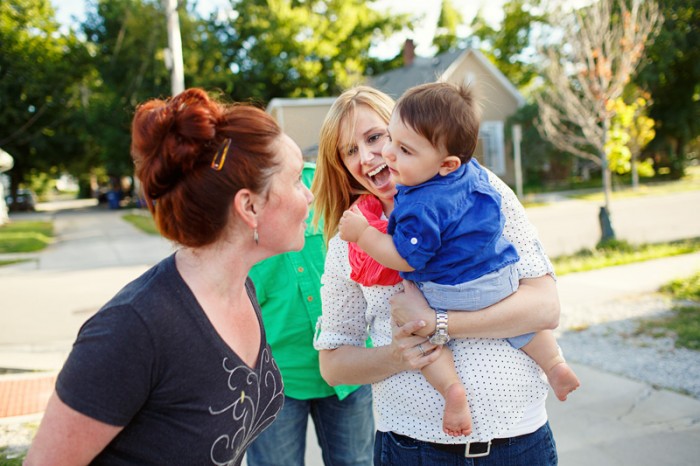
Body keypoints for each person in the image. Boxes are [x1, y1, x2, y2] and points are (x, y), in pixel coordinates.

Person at [24, 87, 314, 466]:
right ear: (249, 206)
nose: (309, 195)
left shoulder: (241, 287)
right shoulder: (132, 329)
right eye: (297, 179)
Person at [311, 85, 562, 464]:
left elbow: (545, 308)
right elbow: (333, 366)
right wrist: (398, 355)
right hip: (414, 449)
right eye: (349, 151)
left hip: (519, 441)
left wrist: (437, 322)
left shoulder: (477, 190)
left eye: (374, 137)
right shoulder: (351, 240)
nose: (366, 157)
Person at [245, 162, 374, 466]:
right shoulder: (232, 204)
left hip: (349, 369)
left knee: (357, 462)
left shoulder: (322, 180)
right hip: (274, 381)